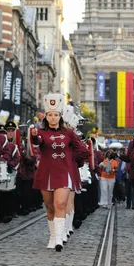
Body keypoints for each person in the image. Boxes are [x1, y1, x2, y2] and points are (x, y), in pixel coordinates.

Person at [30, 93, 89, 252]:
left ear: (60, 116)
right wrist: (34, 136)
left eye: (56, 115)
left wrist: (72, 160)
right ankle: (52, 235)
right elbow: (37, 142)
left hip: (64, 173)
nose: (53, 118)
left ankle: (59, 238)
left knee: (60, 204)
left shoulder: (69, 133)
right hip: (46, 173)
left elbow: (84, 150)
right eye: (50, 115)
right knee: (49, 207)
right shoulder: (41, 133)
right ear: (46, 117)